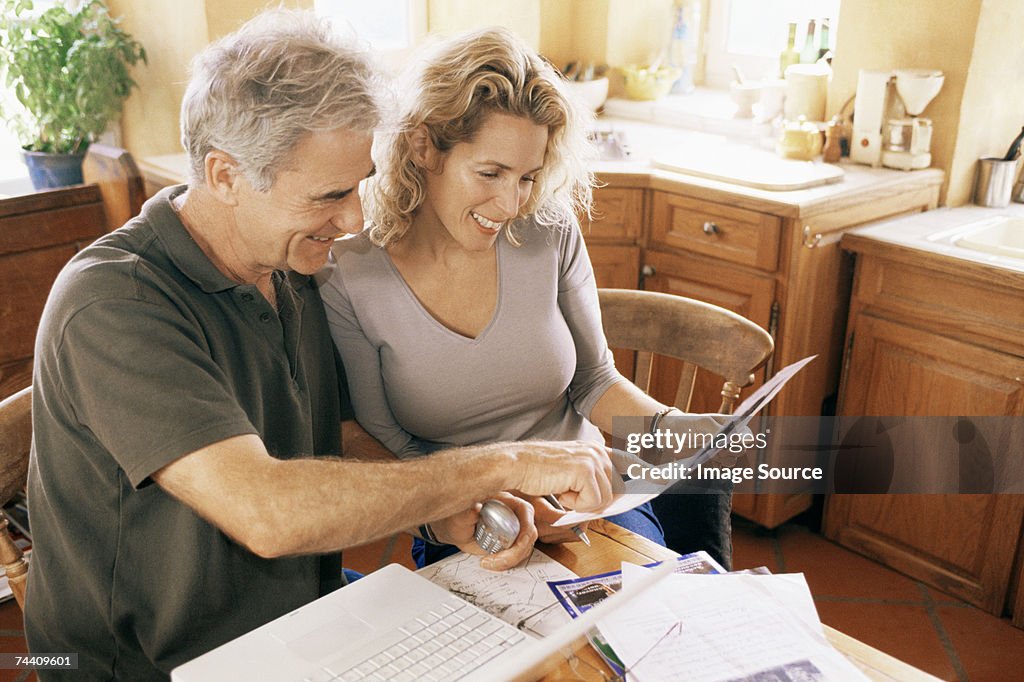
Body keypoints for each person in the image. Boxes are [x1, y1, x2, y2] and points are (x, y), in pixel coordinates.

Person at [24, 12, 619, 680]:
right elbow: (268, 511)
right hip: (160, 665)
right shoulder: (115, 304)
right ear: (225, 175)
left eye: (358, 183)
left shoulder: (293, 270)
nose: (355, 219)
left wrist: (444, 513)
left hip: (305, 624)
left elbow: (341, 438)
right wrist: (504, 463)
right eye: (331, 194)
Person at [319, 27, 731, 568]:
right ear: (422, 147)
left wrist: (669, 425)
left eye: (528, 177)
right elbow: (389, 443)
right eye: (490, 173)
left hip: (588, 500)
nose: (512, 204)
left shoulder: (550, 230)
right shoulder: (349, 273)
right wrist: (495, 500)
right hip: (467, 521)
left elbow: (593, 380)